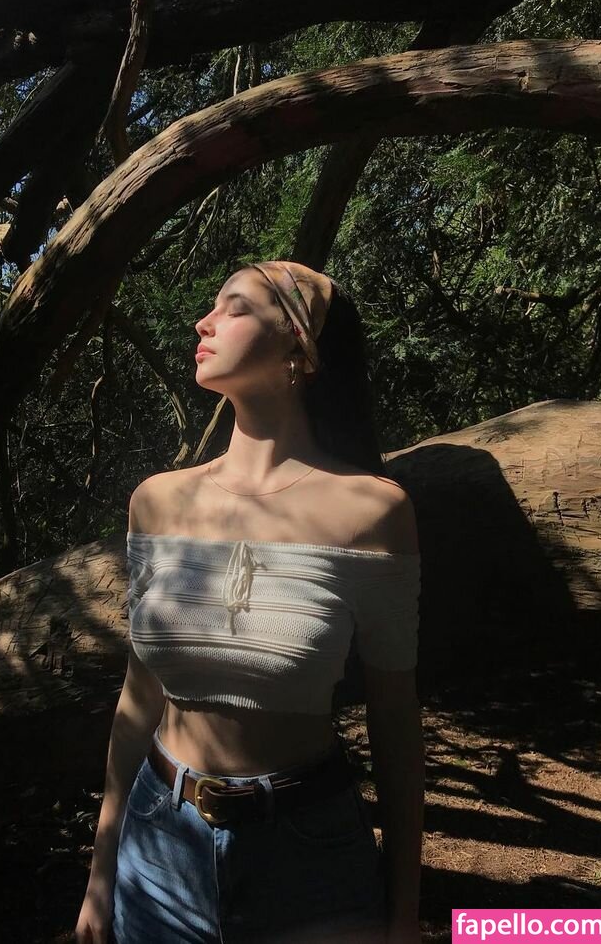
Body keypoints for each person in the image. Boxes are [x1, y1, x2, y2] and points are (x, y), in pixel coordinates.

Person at [74, 260, 424, 944]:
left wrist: (405, 909)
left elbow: (395, 720)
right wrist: (101, 868)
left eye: (233, 308)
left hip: (309, 854)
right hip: (157, 844)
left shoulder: (373, 512)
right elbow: (139, 697)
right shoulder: (157, 502)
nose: (202, 323)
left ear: (299, 344)